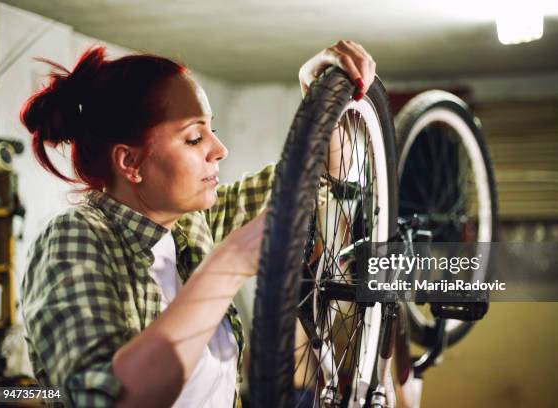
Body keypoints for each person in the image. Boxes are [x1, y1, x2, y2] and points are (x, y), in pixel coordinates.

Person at [19, 40, 375, 407]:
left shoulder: (193, 226)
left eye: (212, 129)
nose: (219, 149)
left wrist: (319, 100)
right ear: (130, 162)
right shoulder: (72, 240)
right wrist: (230, 263)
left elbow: (325, 173)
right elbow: (101, 399)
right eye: (194, 137)